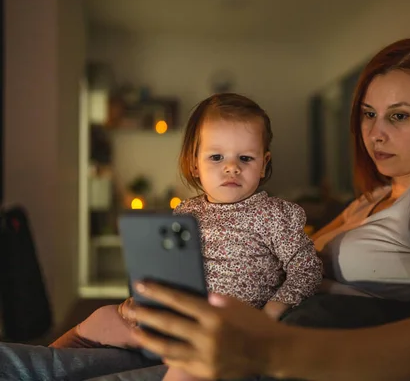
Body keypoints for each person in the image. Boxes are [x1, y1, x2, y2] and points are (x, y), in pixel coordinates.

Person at [123, 37, 410, 381]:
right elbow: (300, 251)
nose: (375, 134)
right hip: (255, 336)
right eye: (368, 114)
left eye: (398, 116)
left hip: (287, 352)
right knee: (92, 346)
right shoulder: (375, 200)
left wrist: (265, 348)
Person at [50, 92, 323, 381]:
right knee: (104, 316)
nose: (232, 167)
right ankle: (40, 368)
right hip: (176, 321)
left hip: (226, 332)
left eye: (245, 157)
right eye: (216, 157)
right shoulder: (186, 212)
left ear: (264, 163)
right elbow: (168, 268)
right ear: (195, 163)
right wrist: (144, 302)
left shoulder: (276, 214)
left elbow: (307, 268)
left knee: (184, 373)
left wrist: (271, 312)